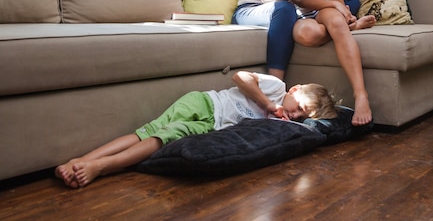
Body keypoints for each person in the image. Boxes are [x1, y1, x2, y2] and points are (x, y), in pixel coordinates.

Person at [54, 71, 337, 189]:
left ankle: (96, 166)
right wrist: (267, 104)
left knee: (160, 138)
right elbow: (239, 76)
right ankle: (85, 162)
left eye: (302, 116)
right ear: (294, 89)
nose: (295, 114)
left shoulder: (282, 125)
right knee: (147, 132)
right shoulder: (276, 87)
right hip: (204, 103)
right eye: (298, 106)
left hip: (209, 126)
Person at [284, 0, 374, 126]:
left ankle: (361, 95)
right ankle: (349, 28)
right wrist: (334, 7)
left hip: (324, 9)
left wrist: (341, 10)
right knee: (308, 33)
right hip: (301, 12)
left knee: (336, 20)